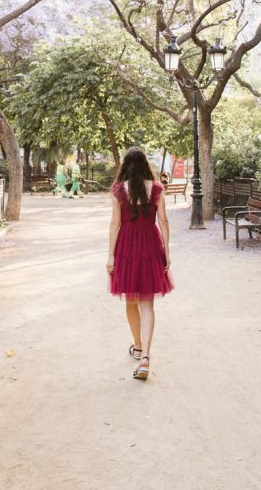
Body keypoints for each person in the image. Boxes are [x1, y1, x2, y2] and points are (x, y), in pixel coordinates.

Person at [106, 147, 173, 381]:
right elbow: (163, 221)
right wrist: (166, 251)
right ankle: (145, 355)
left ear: (125, 165)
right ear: (146, 165)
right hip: (151, 245)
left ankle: (137, 345)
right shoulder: (156, 189)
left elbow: (115, 224)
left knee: (130, 300)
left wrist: (111, 255)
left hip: (126, 246)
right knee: (148, 304)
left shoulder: (118, 190)